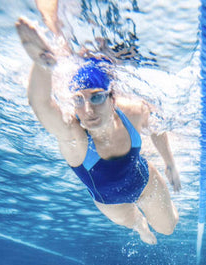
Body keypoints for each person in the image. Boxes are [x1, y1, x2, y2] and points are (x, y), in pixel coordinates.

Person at [15, 5, 180, 245]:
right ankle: (140, 227)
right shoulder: (75, 137)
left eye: (97, 97)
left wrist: (170, 163)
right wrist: (42, 63)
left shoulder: (132, 111)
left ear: (112, 99)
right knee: (136, 224)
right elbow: (40, 104)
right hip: (111, 203)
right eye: (79, 100)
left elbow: (156, 126)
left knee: (168, 228)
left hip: (144, 181)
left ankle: (150, 218)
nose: (88, 110)